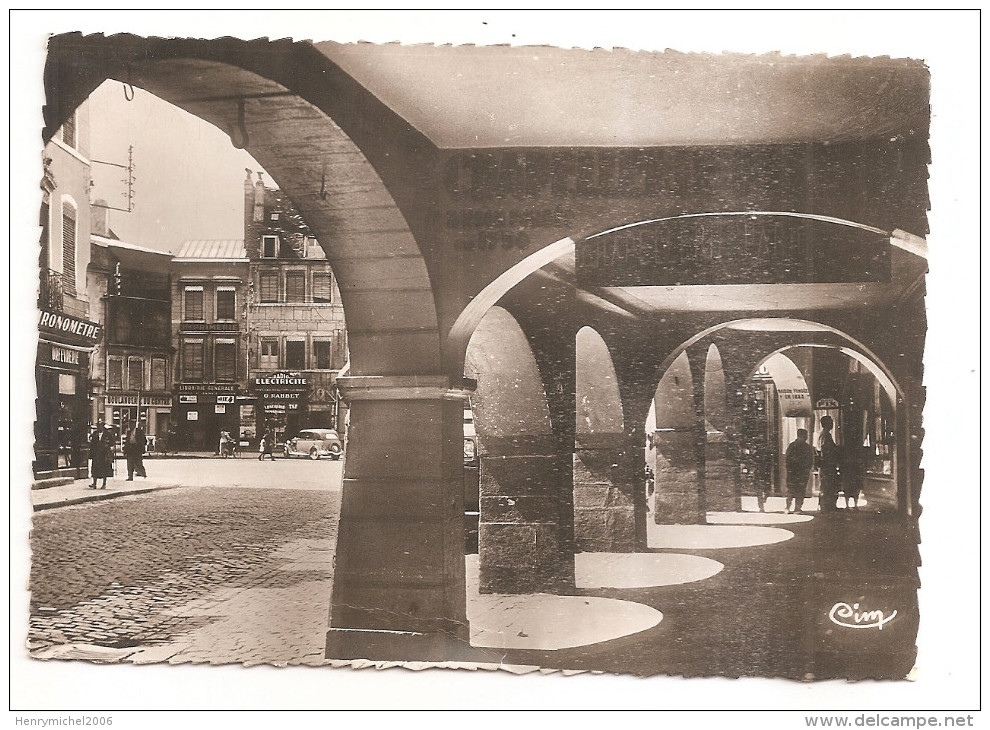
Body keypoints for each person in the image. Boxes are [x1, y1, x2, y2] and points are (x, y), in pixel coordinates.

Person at [784, 429, 814, 514]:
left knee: (792, 490)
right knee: (799, 490)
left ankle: (789, 507)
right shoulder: (806, 447)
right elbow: (810, 460)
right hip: (799, 472)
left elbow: (787, 459)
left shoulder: (792, 446)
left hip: (794, 472)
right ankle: (796, 507)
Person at [818, 415, 840, 512]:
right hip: (827, 465)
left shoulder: (826, 434)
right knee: (827, 485)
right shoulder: (825, 434)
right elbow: (823, 449)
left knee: (829, 485)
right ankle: (826, 506)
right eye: (830, 422)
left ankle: (829, 506)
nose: (832, 424)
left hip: (828, 464)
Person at [88, 422, 115, 489]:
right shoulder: (95, 434)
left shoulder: (107, 434)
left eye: (100, 426)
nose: (99, 428)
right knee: (94, 469)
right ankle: (94, 483)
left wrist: (110, 449)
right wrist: (91, 454)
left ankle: (104, 483)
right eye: (98, 426)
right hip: (96, 454)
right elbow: (92, 444)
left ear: (103, 427)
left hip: (104, 454)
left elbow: (112, 443)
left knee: (104, 469)